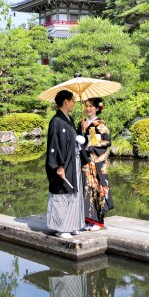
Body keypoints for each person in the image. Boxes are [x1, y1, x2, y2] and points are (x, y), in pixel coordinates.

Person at [45, 89, 87, 238]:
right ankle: (61, 227)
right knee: (63, 193)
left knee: (74, 192)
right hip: (63, 163)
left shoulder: (68, 120)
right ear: (65, 102)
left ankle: (73, 224)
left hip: (73, 161)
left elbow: (71, 141)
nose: (74, 104)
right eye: (72, 101)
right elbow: (54, 145)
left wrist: (79, 131)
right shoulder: (56, 121)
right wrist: (58, 166)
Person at [79, 97, 114, 231]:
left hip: (98, 161)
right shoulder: (82, 123)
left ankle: (98, 222)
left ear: (97, 109)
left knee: (98, 188)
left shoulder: (100, 124)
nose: (88, 109)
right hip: (86, 161)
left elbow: (107, 141)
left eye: (91, 106)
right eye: (86, 106)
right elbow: (79, 140)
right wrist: (81, 132)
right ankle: (88, 220)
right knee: (87, 189)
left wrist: (93, 146)